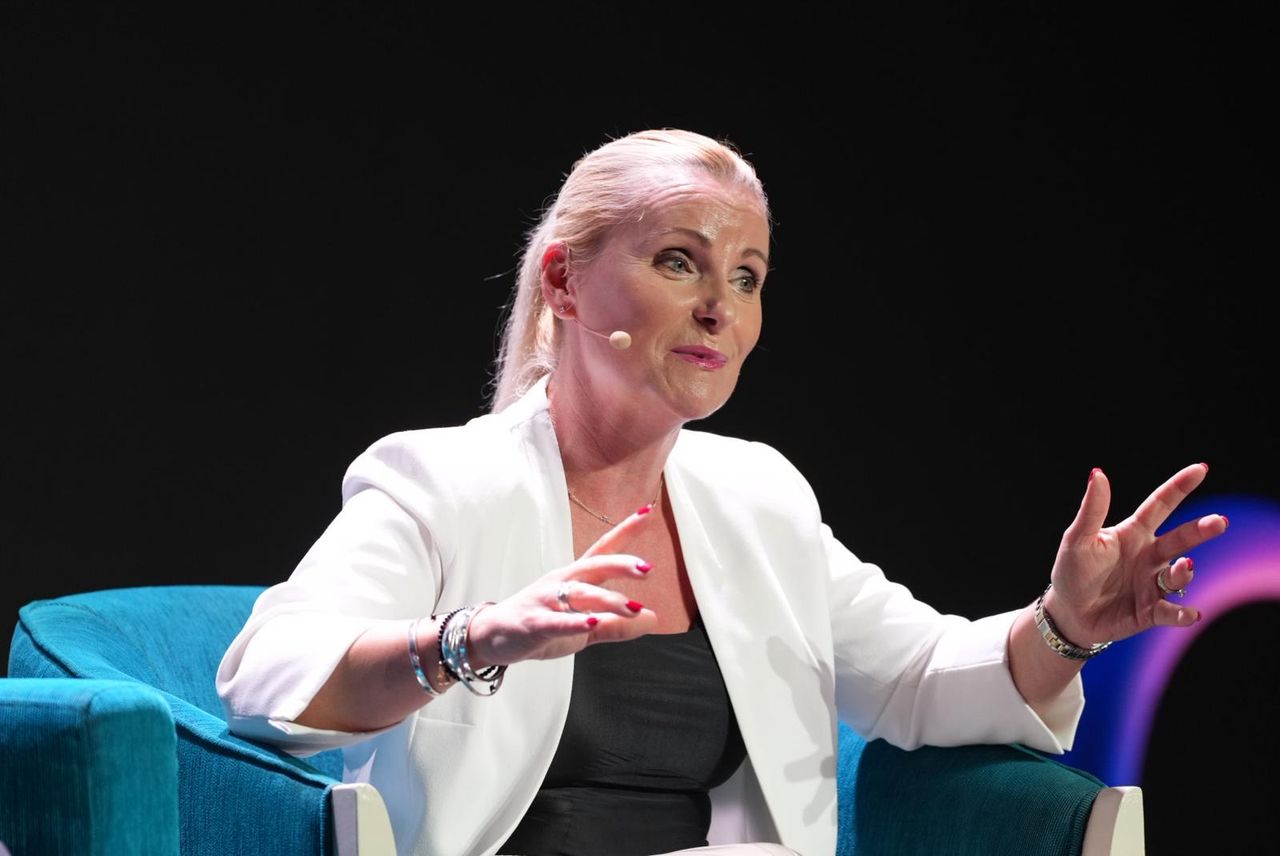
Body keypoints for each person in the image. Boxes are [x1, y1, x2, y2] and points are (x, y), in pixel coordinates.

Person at [216, 128, 1226, 856]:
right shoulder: (441, 481)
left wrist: (1064, 626)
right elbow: (265, 676)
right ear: (564, 283)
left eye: (746, 277)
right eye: (678, 262)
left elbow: (917, 678)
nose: (718, 308)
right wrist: (472, 638)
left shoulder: (758, 497)